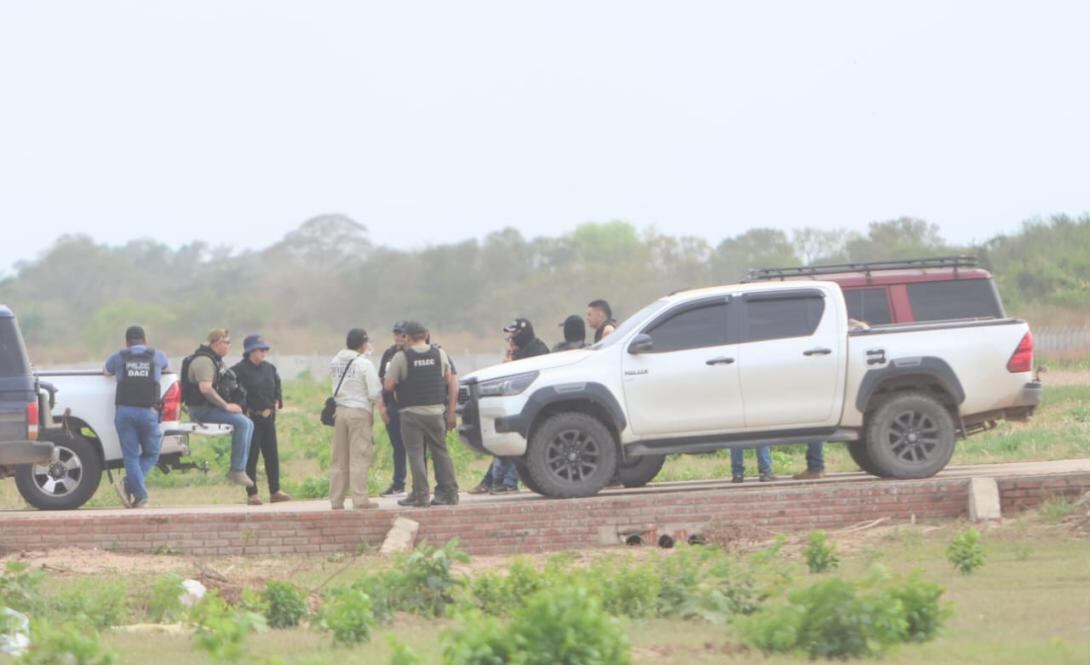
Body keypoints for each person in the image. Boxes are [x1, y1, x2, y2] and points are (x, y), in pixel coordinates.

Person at [384, 321, 459, 508]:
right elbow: (448, 380)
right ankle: (451, 494)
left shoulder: (401, 358)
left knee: (416, 454)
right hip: (435, 412)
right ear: (426, 335)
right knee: (441, 453)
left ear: (406, 337)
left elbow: (388, 386)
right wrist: (450, 411)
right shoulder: (439, 353)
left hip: (411, 414)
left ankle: (421, 496)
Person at [104, 325, 169, 508]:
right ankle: (135, 490)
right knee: (152, 453)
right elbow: (166, 367)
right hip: (148, 412)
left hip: (124, 412)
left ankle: (136, 491)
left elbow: (106, 371)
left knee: (130, 456)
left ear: (126, 342)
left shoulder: (119, 356)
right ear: (145, 340)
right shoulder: (157, 355)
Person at [181, 329, 254, 488]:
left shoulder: (216, 360)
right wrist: (226, 406)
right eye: (226, 342)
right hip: (201, 410)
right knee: (243, 423)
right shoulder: (204, 361)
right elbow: (205, 389)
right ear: (215, 342)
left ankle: (239, 468)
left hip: (210, 408)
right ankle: (237, 470)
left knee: (248, 423)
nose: (228, 346)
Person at [232, 334, 292, 505]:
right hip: (251, 419)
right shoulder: (238, 370)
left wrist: (277, 401)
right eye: (260, 350)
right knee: (251, 457)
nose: (264, 353)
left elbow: (277, 385)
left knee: (271, 455)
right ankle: (252, 494)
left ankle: (275, 490)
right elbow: (233, 391)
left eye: (265, 350)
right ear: (250, 351)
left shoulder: (269, 368)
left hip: (268, 418)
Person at [329, 328, 385, 510]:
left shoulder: (335, 361)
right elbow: (374, 392)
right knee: (359, 456)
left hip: (340, 412)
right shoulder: (364, 364)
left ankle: (336, 500)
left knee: (339, 459)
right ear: (363, 343)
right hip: (359, 413)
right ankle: (360, 499)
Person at [377, 322, 409, 498]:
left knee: (415, 446)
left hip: (409, 406)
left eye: (402, 334)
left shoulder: (411, 354)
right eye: (396, 333)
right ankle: (398, 484)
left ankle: (421, 484)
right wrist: (382, 407)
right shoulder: (389, 354)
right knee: (398, 446)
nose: (399, 337)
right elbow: (381, 379)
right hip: (392, 406)